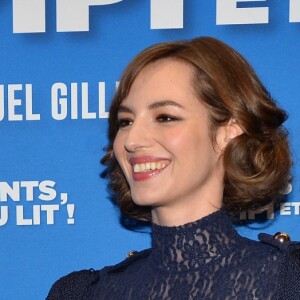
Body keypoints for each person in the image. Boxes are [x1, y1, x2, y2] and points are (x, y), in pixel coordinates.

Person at [47, 37, 300, 299]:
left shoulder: (289, 279)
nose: (132, 141)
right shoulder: (80, 294)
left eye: (165, 118)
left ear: (229, 133)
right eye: (125, 121)